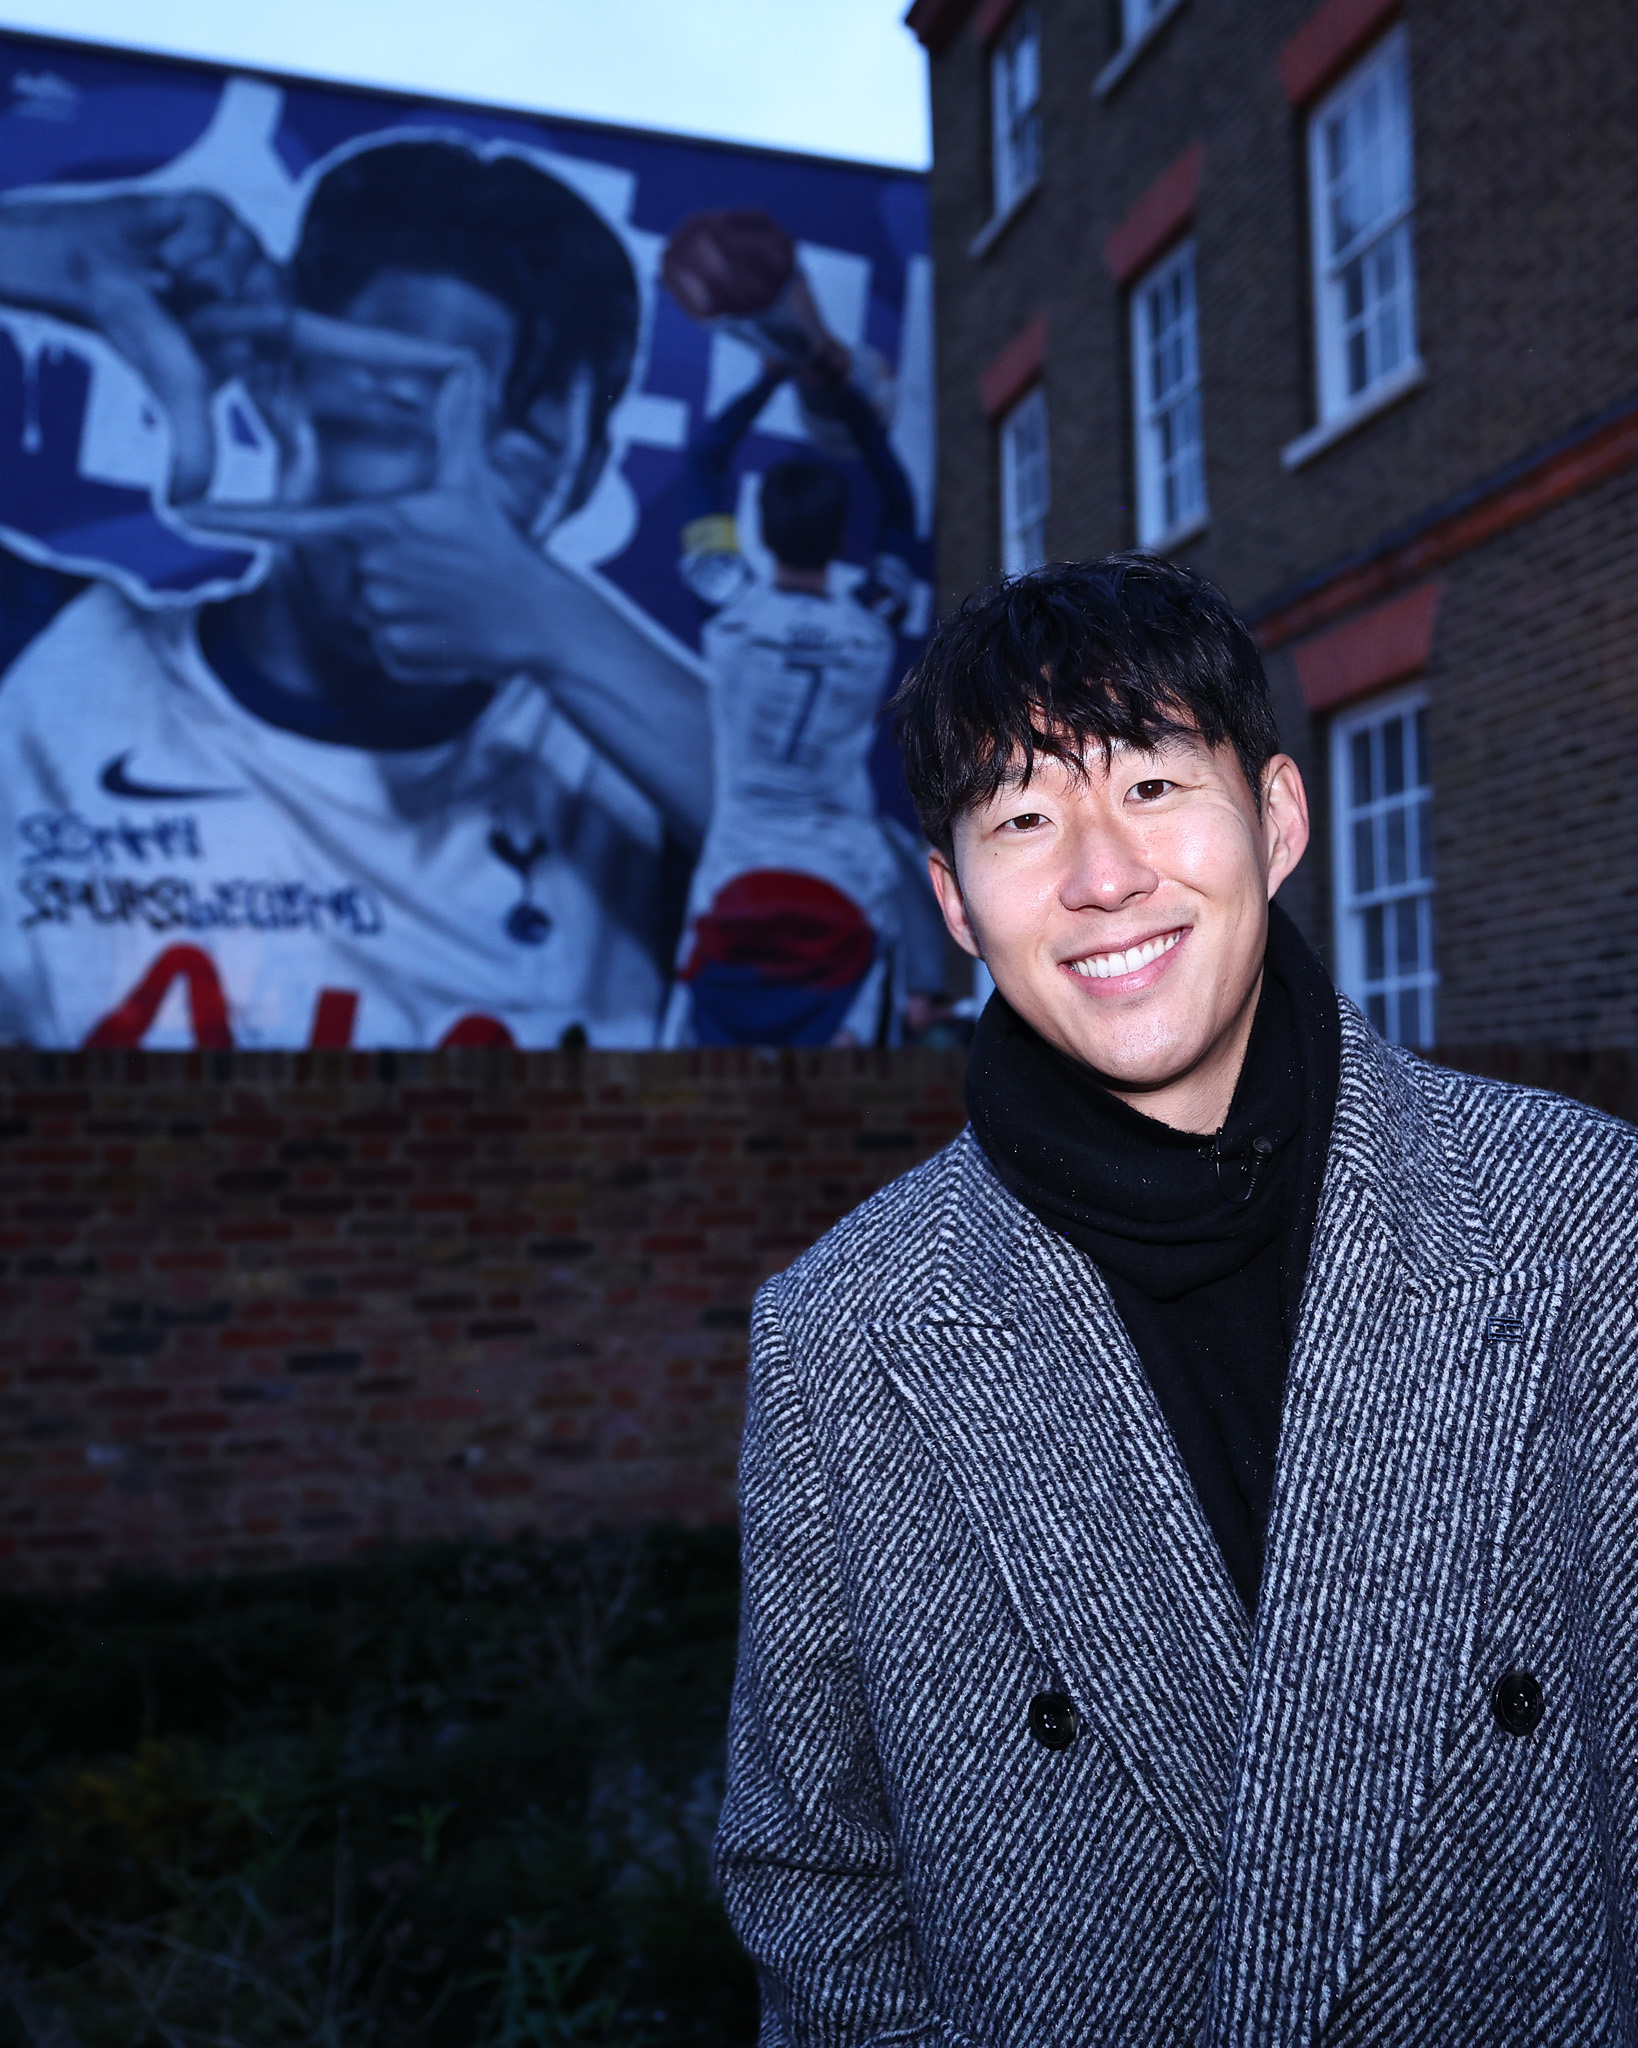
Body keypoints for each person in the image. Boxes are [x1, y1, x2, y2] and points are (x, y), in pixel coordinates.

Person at [715, 555, 1638, 2042]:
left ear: (1276, 817)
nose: (1097, 874)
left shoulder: (1582, 1222)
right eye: (1023, 816)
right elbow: (815, 1877)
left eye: (1148, 785)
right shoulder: (845, 1334)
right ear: (954, 903)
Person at [0, 139, 709, 1048]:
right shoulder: (44, 659)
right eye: (398, 408)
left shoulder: (634, 776)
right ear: (275, 383)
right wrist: (39, 248)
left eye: (522, 446)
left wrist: (559, 627)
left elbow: (909, 921)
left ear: (582, 479)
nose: (455, 506)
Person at [669, 356, 930, 1045]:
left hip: (739, 868)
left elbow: (703, 466)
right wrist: (845, 398)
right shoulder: (873, 622)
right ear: (844, 539)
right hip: (847, 875)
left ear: (758, 526)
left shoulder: (730, 609)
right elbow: (902, 505)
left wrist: (769, 379)